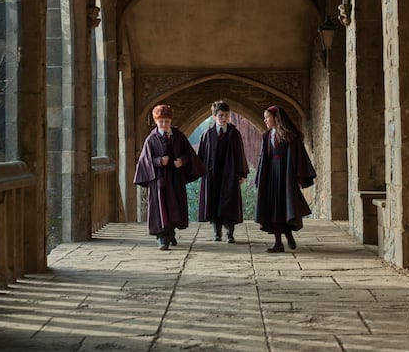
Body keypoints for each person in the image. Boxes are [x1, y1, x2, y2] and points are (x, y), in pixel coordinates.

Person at [134, 104, 206, 250]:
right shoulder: (151, 139)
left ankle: (171, 232)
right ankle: (162, 238)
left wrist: (182, 161)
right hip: (159, 180)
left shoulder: (179, 136)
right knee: (161, 208)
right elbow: (145, 160)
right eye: (161, 121)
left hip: (175, 178)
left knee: (174, 207)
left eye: (167, 121)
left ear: (171, 121)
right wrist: (159, 161)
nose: (164, 124)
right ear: (156, 121)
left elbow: (188, 154)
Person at [254, 105, 316, 253]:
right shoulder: (267, 135)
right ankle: (278, 243)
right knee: (274, 209)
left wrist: (299, 177)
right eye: (265, 117)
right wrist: (260, 178)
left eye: (267, 117)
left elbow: (297, 157)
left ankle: (288, 235)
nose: (265, 120)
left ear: (276, 118)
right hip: (271, 177)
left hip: (285, 176)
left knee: (285, 207)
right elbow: (264, 158)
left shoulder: (289, 136)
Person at [197, 100, 249, 243]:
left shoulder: (234, 134)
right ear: (214, 116)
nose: (224, 118)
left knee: (229, 203)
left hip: (230, 174)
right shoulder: (207, 135)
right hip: (212, 175)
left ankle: (230, 233)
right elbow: (201, 156)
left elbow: (240, 154)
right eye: (220, 115)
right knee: (214, 203)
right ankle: (217, 233)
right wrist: (200, 172)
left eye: (226, 115)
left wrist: (242, 173)